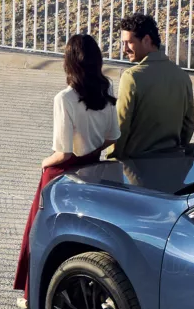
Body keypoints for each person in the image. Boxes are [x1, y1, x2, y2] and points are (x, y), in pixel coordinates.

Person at [13, 33, 118, 295]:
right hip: (92, 168)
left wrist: (43, 162)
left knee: (40, 232)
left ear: (69, 62)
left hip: (60, 174)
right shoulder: (108, 89)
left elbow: (63, 153)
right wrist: (91, 153)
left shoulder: (65, 98)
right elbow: (112, 137)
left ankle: (32, 294)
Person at [108, 12, 194, 158]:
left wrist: (113, 158)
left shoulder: (132, 77)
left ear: (146, 40)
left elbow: (121, 125)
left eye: (129, 42)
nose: (124, 49)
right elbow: (189, 123)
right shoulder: (182, 76)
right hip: (172, 163)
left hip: (136, 167)